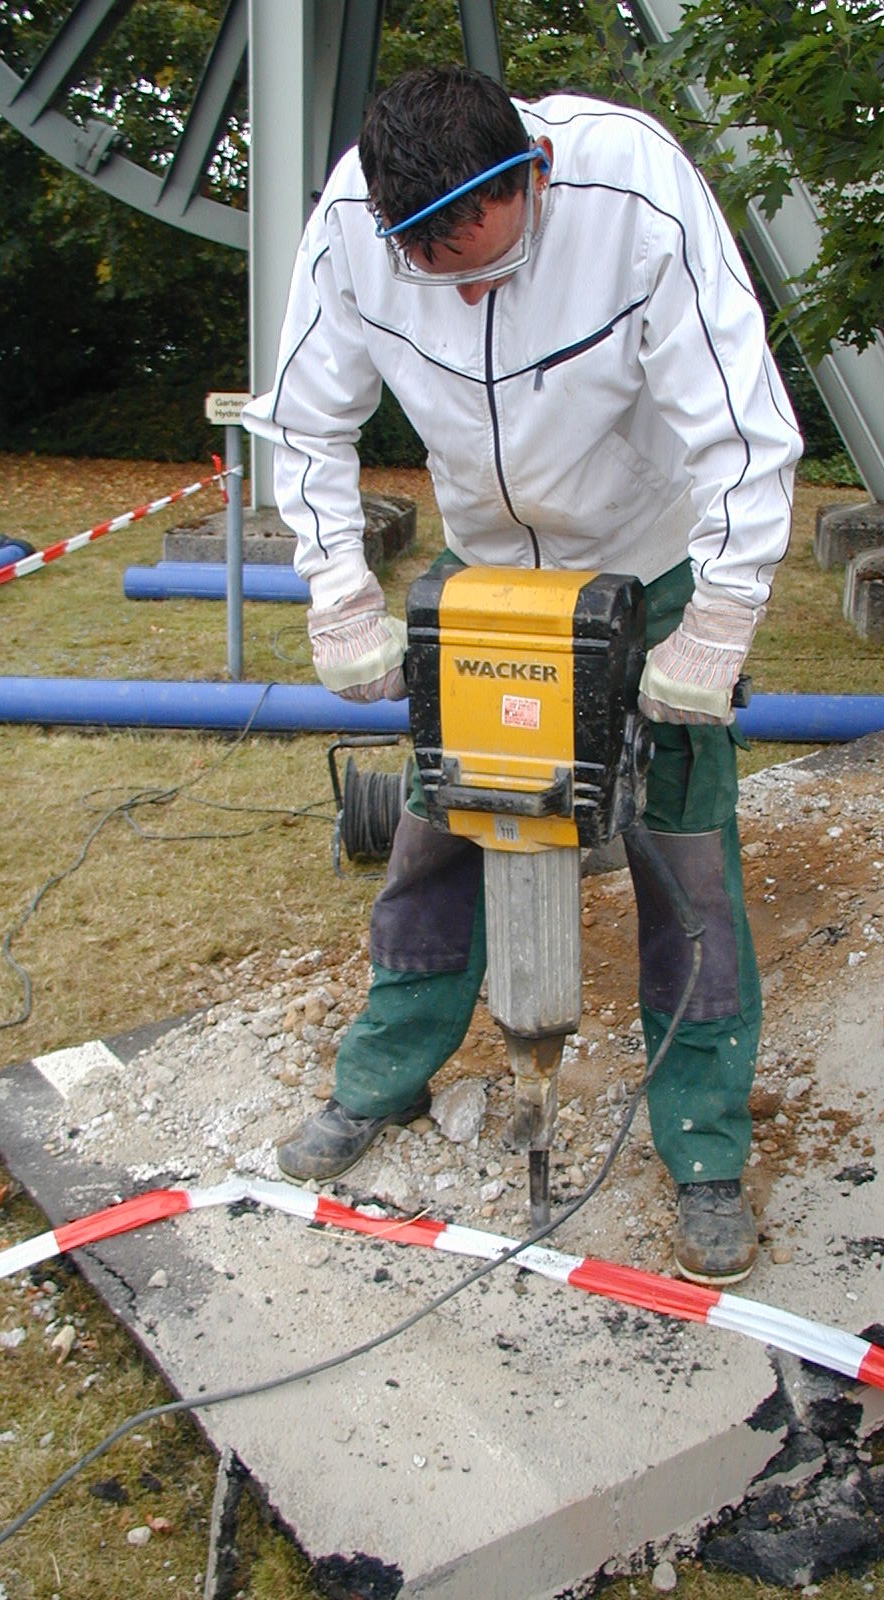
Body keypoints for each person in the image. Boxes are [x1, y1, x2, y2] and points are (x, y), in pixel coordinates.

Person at [243, 63, 802, 1285]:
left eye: (483, 257)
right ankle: (383, 1080)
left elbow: (744, 428)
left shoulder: (635, 190)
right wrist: (336, 582)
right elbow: (306, 416)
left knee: (686, 851)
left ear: (532, 176)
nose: (461, 282)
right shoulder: (352, 224)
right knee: (442, 825)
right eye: (429, 265)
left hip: (645, 564)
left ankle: (703, 1149)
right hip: (488, 568)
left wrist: (720, 618)